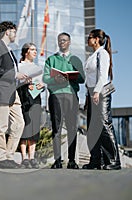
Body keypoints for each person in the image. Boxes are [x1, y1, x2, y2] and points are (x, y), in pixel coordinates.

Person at [0, 21, 30, 168]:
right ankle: (1, 158)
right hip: (0, 93)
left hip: (13, 93)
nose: (15, 35)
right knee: (2, 126)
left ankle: (9, 156)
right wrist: (15, 74)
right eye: (14, 31)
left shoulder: (10, 51)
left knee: (19, 124)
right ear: (7, 32)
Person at [43, 32, 85, 169]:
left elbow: (82, 78)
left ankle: (72, 160)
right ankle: (57, 161)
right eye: (60, 40)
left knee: (72, 128)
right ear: (57, 42)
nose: (62, 42)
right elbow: (45, 78)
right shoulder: (51, 59)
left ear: (69, 42)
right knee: (56, 128)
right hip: (56, 95)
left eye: (65, 40)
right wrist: (55, 79)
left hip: (72, 96)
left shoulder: (75, 60)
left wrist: (71, 77)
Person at [82, 29, 121, 170]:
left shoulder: (102, 53)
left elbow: (103, 75)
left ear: (96, 39)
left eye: (89, 37)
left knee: (105, 125)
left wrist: (97, 92)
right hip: (92, 93)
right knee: (92, 129)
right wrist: (89, 94)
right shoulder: (93, 55)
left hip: (101, 93)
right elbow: (89, 78)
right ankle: (96, 160)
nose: (88, 39)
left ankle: (113, 161)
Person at [17, 43, 44, 169]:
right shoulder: (19, 66)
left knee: (34, 128)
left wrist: (41, 86)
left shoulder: (38, 68)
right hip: (23, 98)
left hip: (35, 98)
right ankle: (24, 158)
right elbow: (15, 82)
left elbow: (41, 83)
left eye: (36, 49)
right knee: (24, 127)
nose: (35, 52)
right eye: (32, 49)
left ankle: (32, 157)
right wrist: (24, 82)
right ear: (26, 51)